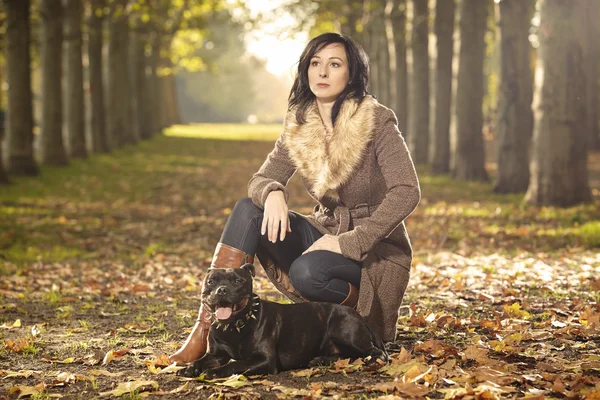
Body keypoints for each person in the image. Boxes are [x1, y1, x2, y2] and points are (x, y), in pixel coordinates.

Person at [170, 32, 420, 365]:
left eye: (334, 64)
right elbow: (261, 178)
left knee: (307, 273)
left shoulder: (378, 121)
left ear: (352, 74)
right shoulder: (300, 123)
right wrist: (273, 192)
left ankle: (355, 320)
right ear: (305, 71)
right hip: (325, 230)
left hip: (374, 248)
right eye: (315, 64)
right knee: (249, 209)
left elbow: (407, 191)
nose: (323, 73)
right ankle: (207, 327)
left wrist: (349, 242)